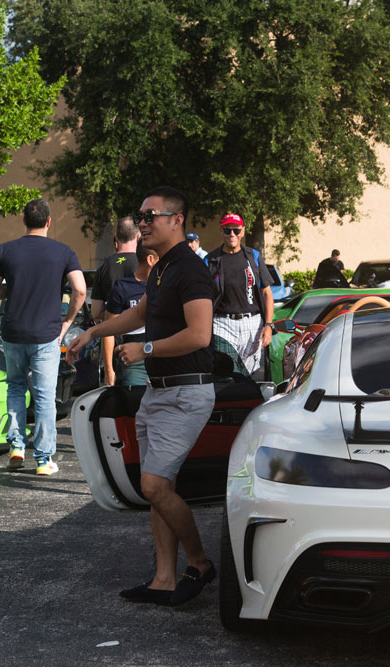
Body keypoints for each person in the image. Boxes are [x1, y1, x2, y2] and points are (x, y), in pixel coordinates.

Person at [66, 185, 217, 606]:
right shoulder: (164, 267)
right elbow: (140, 313)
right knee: (158, 487)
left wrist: (146, 348)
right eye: (142, 216)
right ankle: (164, 579)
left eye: (152, 216)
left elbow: (199, 334)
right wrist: (94, 331)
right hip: (157, 391)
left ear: (177, 220)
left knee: (153, 486)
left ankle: (200, 562)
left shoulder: (191, 268)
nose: (143, 223)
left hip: (185, 394)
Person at [0, 198, 86, 476]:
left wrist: (14, 289)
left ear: (24, 220)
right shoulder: (64, 251)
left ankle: (16, 448)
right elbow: (79, 290)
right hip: (46, 334)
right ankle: (43, 460)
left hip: (14, 332)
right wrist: (67, 322)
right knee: (44, 396)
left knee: (15, 387)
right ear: (49, 222)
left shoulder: (6, 250)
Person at [204, 213, 274, 376]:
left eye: (236, 230)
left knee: (248, 377)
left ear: (242, 231)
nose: (232, 235)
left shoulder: (253, 256)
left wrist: (269, 326)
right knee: (227, 373)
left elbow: (267, 293)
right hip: (223, 324)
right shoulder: (211, 260)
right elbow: (203, 296)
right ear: (222, 232)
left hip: (252, 324)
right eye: (227, 231)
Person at [101, 244, 158, 388]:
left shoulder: (165, 285)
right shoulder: (122, 287)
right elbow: (108, 332)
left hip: (162, 356)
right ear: (150, 259)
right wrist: (109, 371)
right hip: (133, 362)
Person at [92, 216, 140, 321]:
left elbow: (95, 313)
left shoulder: (104, 267)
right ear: (138, 237)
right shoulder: (146, 263)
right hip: (141, 333)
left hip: (113, 333)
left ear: (116, 237)